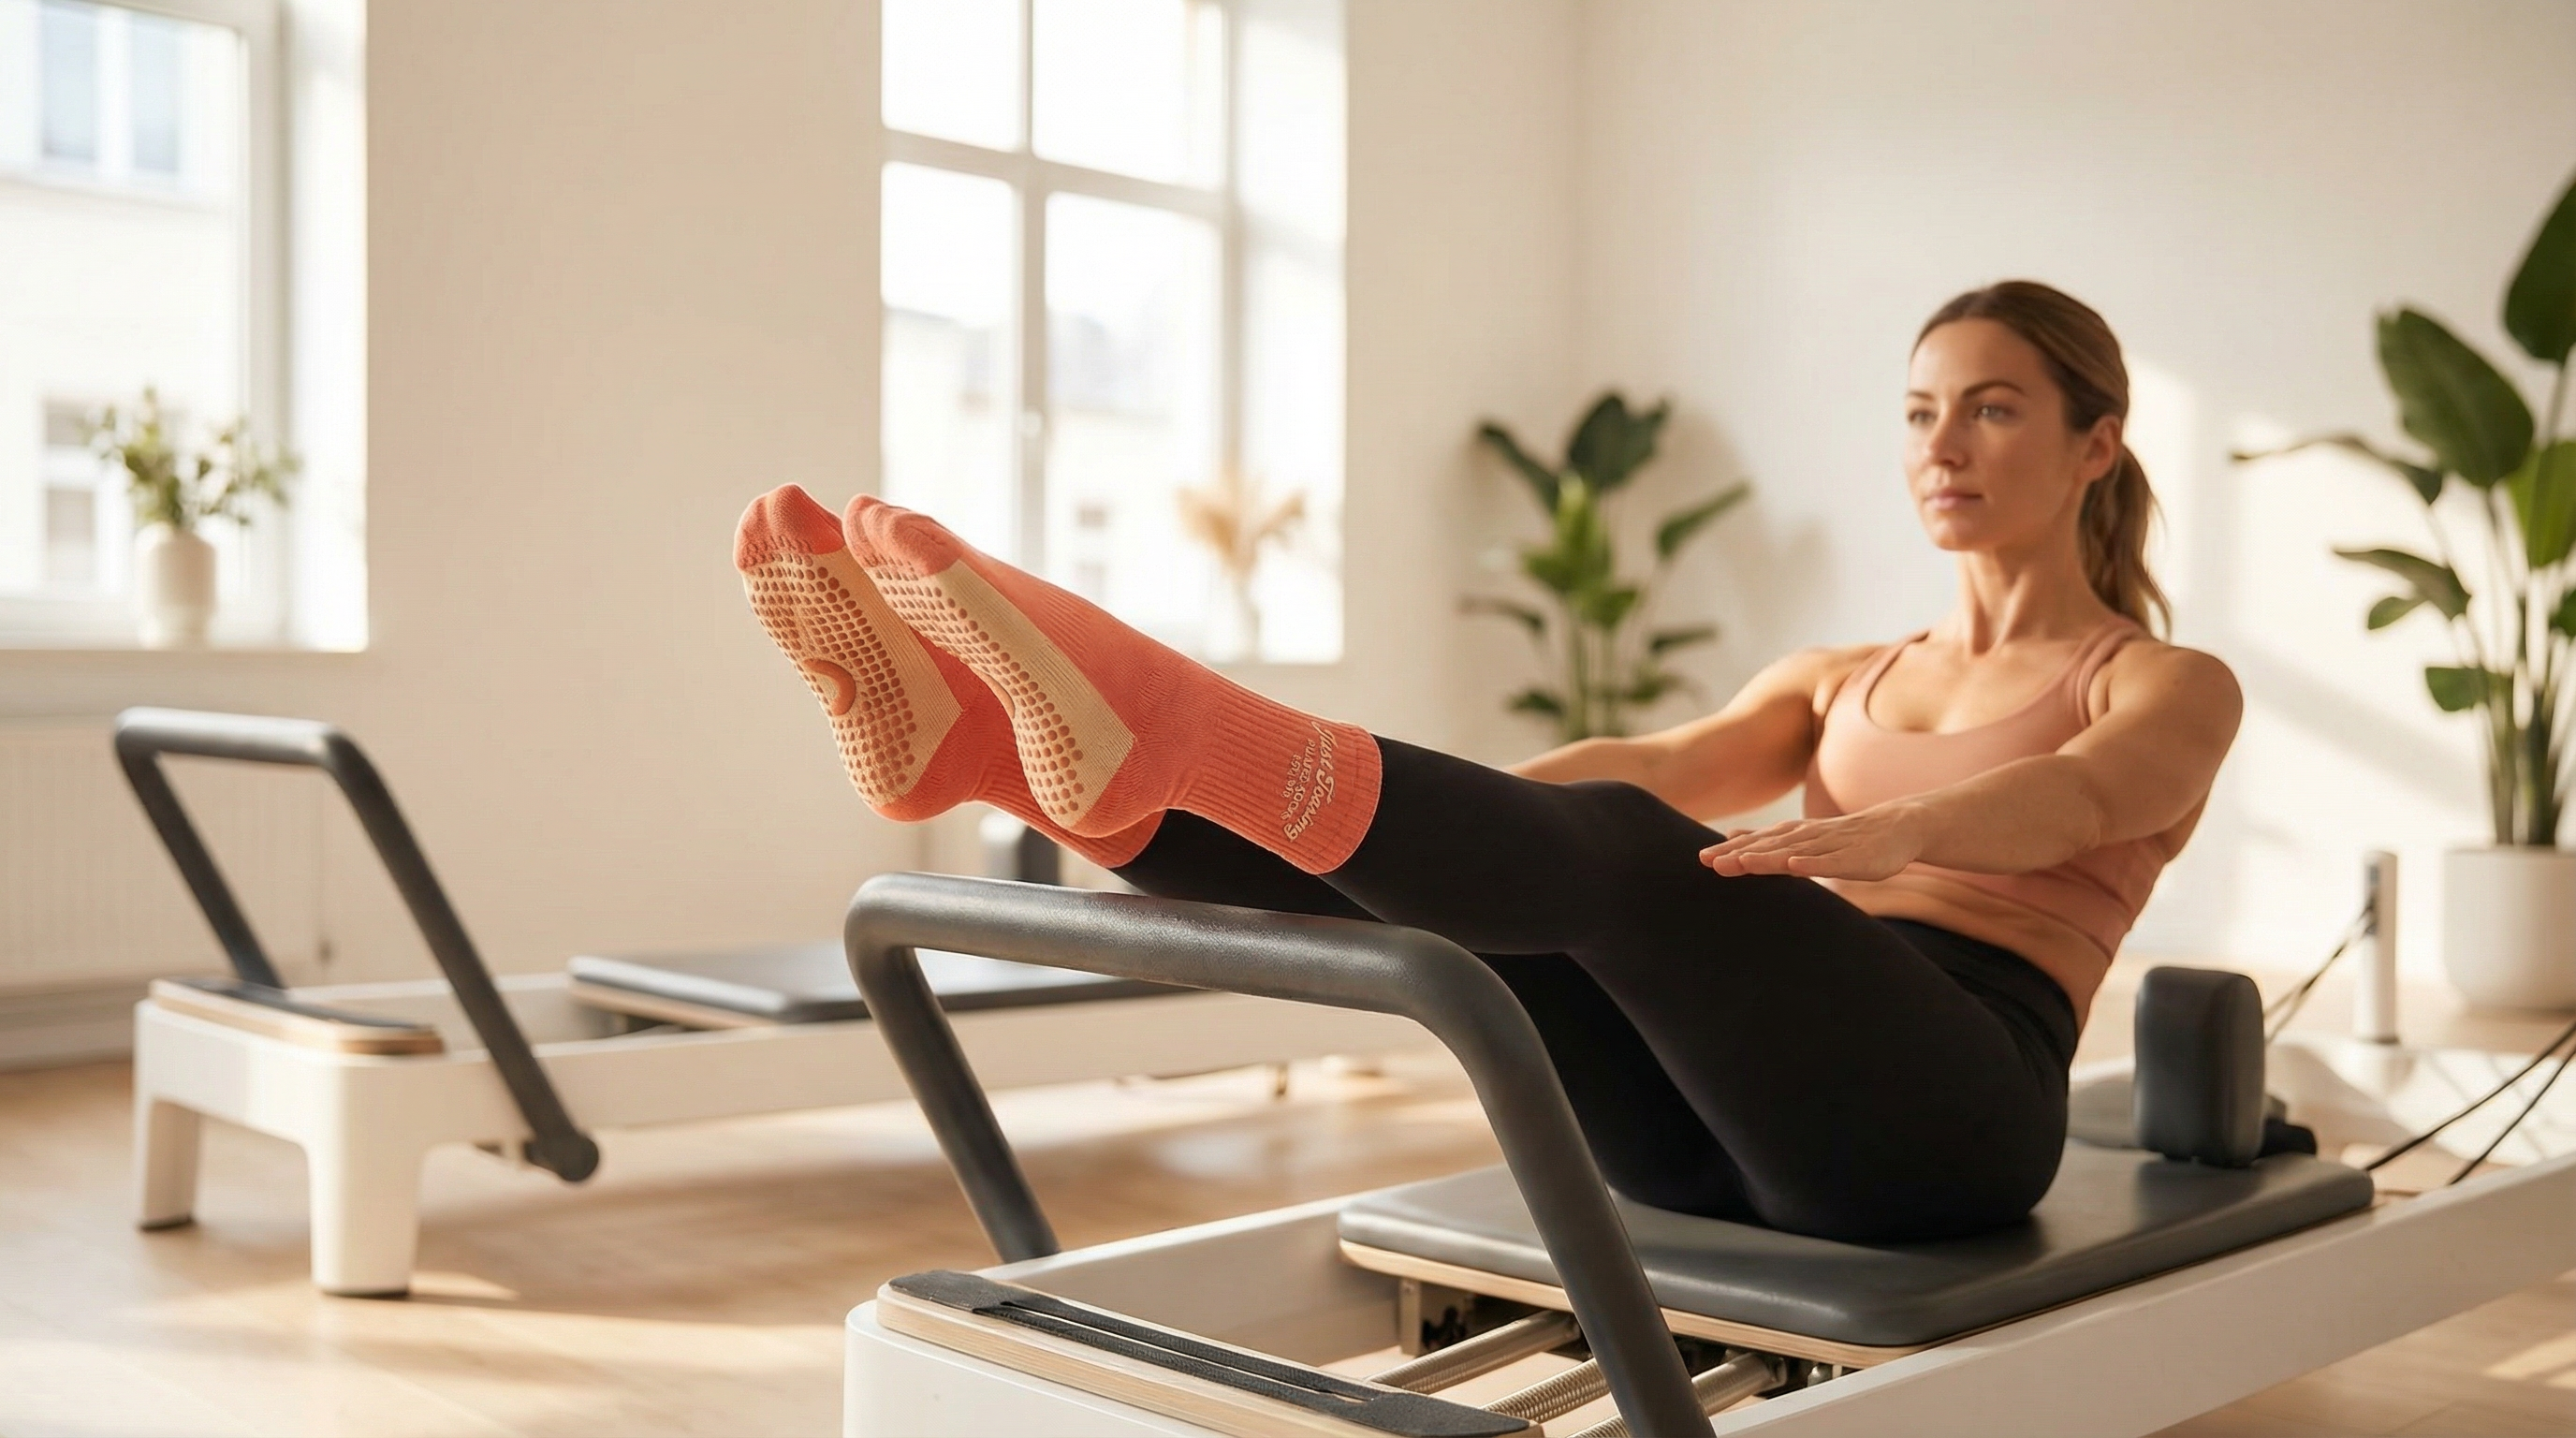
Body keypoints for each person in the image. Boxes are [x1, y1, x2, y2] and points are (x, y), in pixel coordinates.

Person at [734, 279, 2240, 1244]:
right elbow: (1660, 756)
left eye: (1992, 408)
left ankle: (1165, 733)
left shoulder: (2166, 680)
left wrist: (1901, 838)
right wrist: (1456, 825)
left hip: (1950, 1125)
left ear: (2096, 444)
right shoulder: (1845, 677)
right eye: (1921, 413)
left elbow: (2088, 799)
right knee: (1548, 874)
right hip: (1707, 1135)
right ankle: (1003, 759)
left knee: (1644, 865)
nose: (1943, 445)